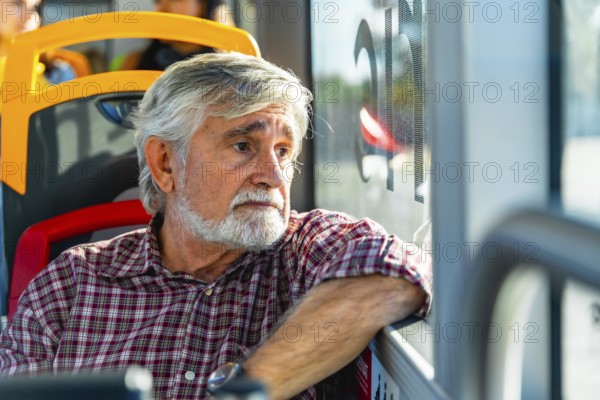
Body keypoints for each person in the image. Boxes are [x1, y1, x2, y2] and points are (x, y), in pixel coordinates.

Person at [0, 52, 432, 400]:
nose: (274, 176)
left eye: (283, 151)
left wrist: (244, 390)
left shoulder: (305, 252)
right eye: (243, 145)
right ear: (166, 163)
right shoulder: (73, 283)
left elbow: (396, 272)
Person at [117, 0, 235, 71]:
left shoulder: (231, 66)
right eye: (157, 1)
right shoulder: (133, 62)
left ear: (205, 5)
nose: (160, 10)